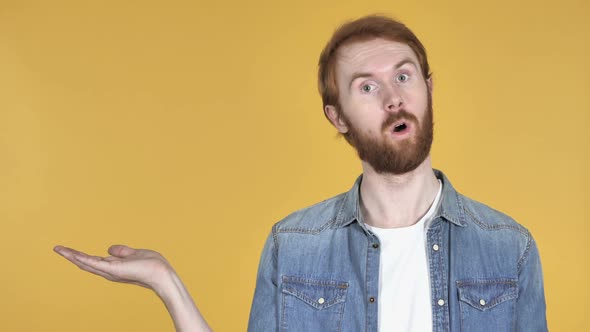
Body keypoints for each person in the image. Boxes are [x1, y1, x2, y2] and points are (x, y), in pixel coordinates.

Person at [54, 14, 547, 332]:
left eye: (403, 75)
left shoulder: (510, 249)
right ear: (338, 118)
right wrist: (167, 284)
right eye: (367, 88)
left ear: (428, 89)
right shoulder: (294, 246)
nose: (394, 96)